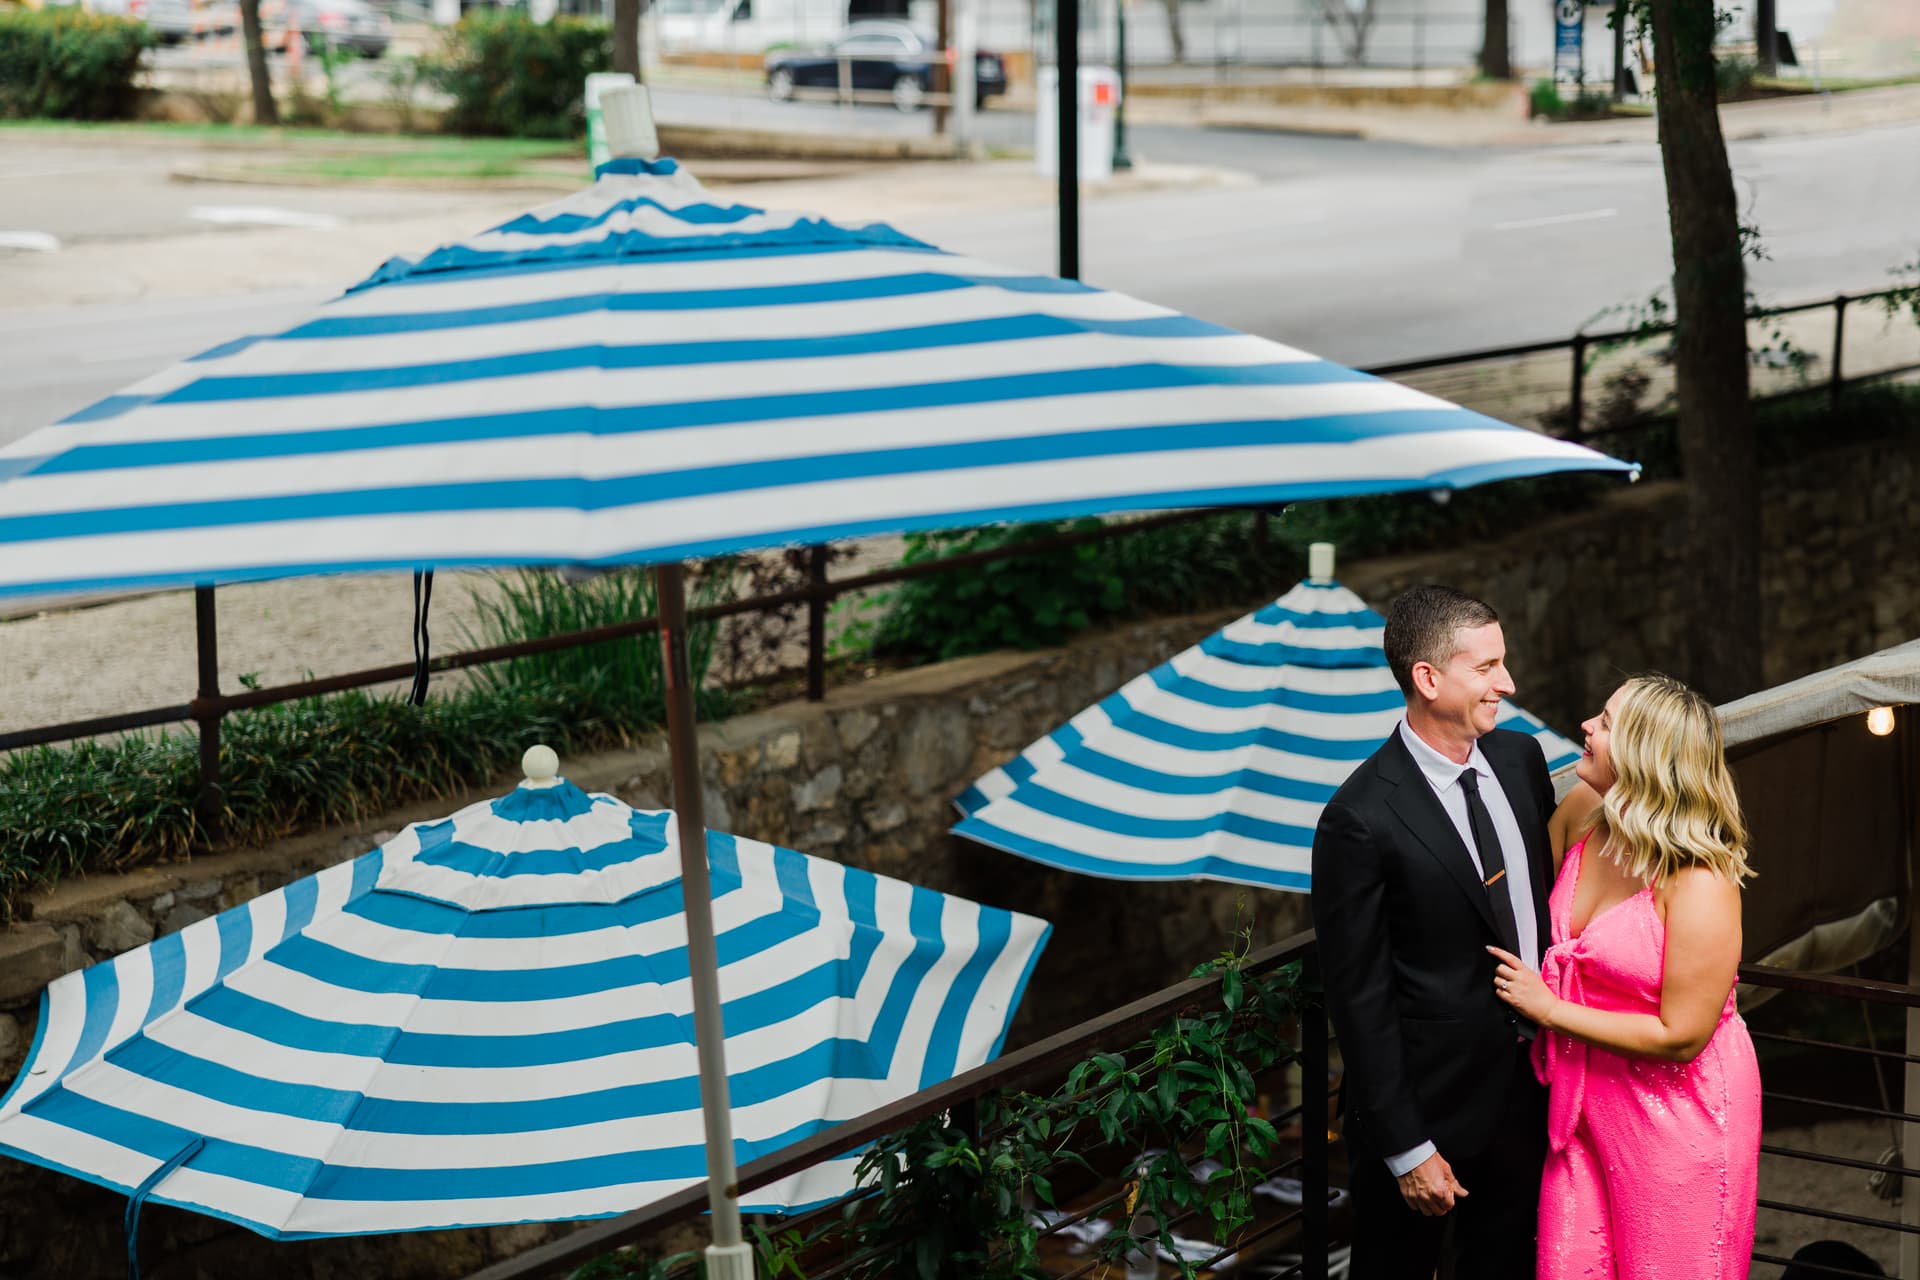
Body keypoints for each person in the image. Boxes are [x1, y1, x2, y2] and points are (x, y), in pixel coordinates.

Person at [1311, 585, 1554, 1280]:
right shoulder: (1358, 818)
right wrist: (1407, 1146)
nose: (1507, 683)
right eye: (1486, 668)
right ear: (1428, 678)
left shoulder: (1521, 760)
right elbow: (1357, 995)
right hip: (1429, 1114)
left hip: (1530, 1091)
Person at [1491, 673, 1761, 1280]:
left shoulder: (1700, 878)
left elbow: (1683, 1034)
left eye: (1606, 722)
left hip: (1680, 1117)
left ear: (1646, 755)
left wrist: (1549, 1010)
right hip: (1582, 1108)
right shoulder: (1584, 814)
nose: (1586, 726)